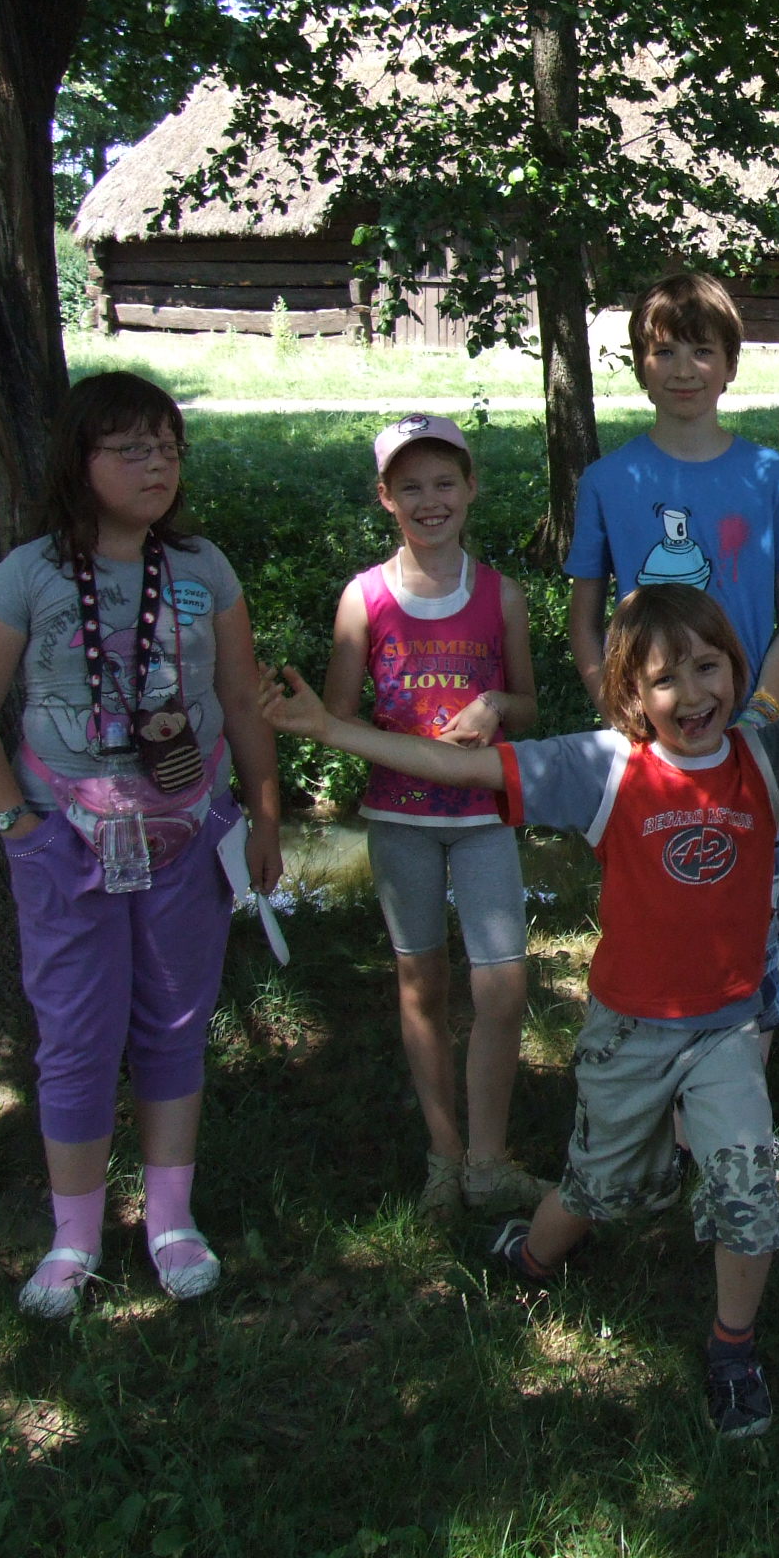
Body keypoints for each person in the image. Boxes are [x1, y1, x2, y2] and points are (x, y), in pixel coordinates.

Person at [263, 585, 779, 1440]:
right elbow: (466, 767)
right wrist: (331, 730)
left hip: (727, 1032)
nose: (693, 694)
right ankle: (533, 1255)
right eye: (665, 679)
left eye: (709, 667)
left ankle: (732, 1350)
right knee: (598, 1187)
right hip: (628, 1035)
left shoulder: (768, 755)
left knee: (749, 1192)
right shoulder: (605, 767)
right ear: (631, 694)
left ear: (738, 669)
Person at [0, 372, 282, 1318]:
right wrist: (18, 828)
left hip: (188, 834)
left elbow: (242, 698)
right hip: (67, 844)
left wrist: (263, 814)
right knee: (76, 1037)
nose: (155, 465)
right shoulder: (29, 575)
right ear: (78, 461)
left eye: (167, 447)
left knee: (175, 1024)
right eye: (130, 448)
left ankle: (171, 1221)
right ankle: (74, 1237)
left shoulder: (204, 568)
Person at [568, 271, 779, 1171]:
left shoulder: (770, 475)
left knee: (758, 927)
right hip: (656, 752)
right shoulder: (608, 480)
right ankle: (665, 1110)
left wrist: (761, 712)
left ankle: (738, 1120)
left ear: (730, 364)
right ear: (639, 364)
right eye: (664, 350)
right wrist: (617, 708)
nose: (683, 368)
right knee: (664, 923)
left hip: (748, 749)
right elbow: (585, 618)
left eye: (702, 350)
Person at [322, 414, 541, 1222]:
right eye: (409, 487)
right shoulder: (364, 598)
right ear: (385, 497)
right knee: (422, 983)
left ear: (471, 488)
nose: (430, 500)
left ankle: (489, 1160)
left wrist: (495, 705)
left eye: (444, 482)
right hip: (400, 817)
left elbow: (530, 704)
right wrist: (399, 742)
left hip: (485, 815)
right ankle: (443, 1159)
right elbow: (336, 716)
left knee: (503, 985)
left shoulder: (501, 595)